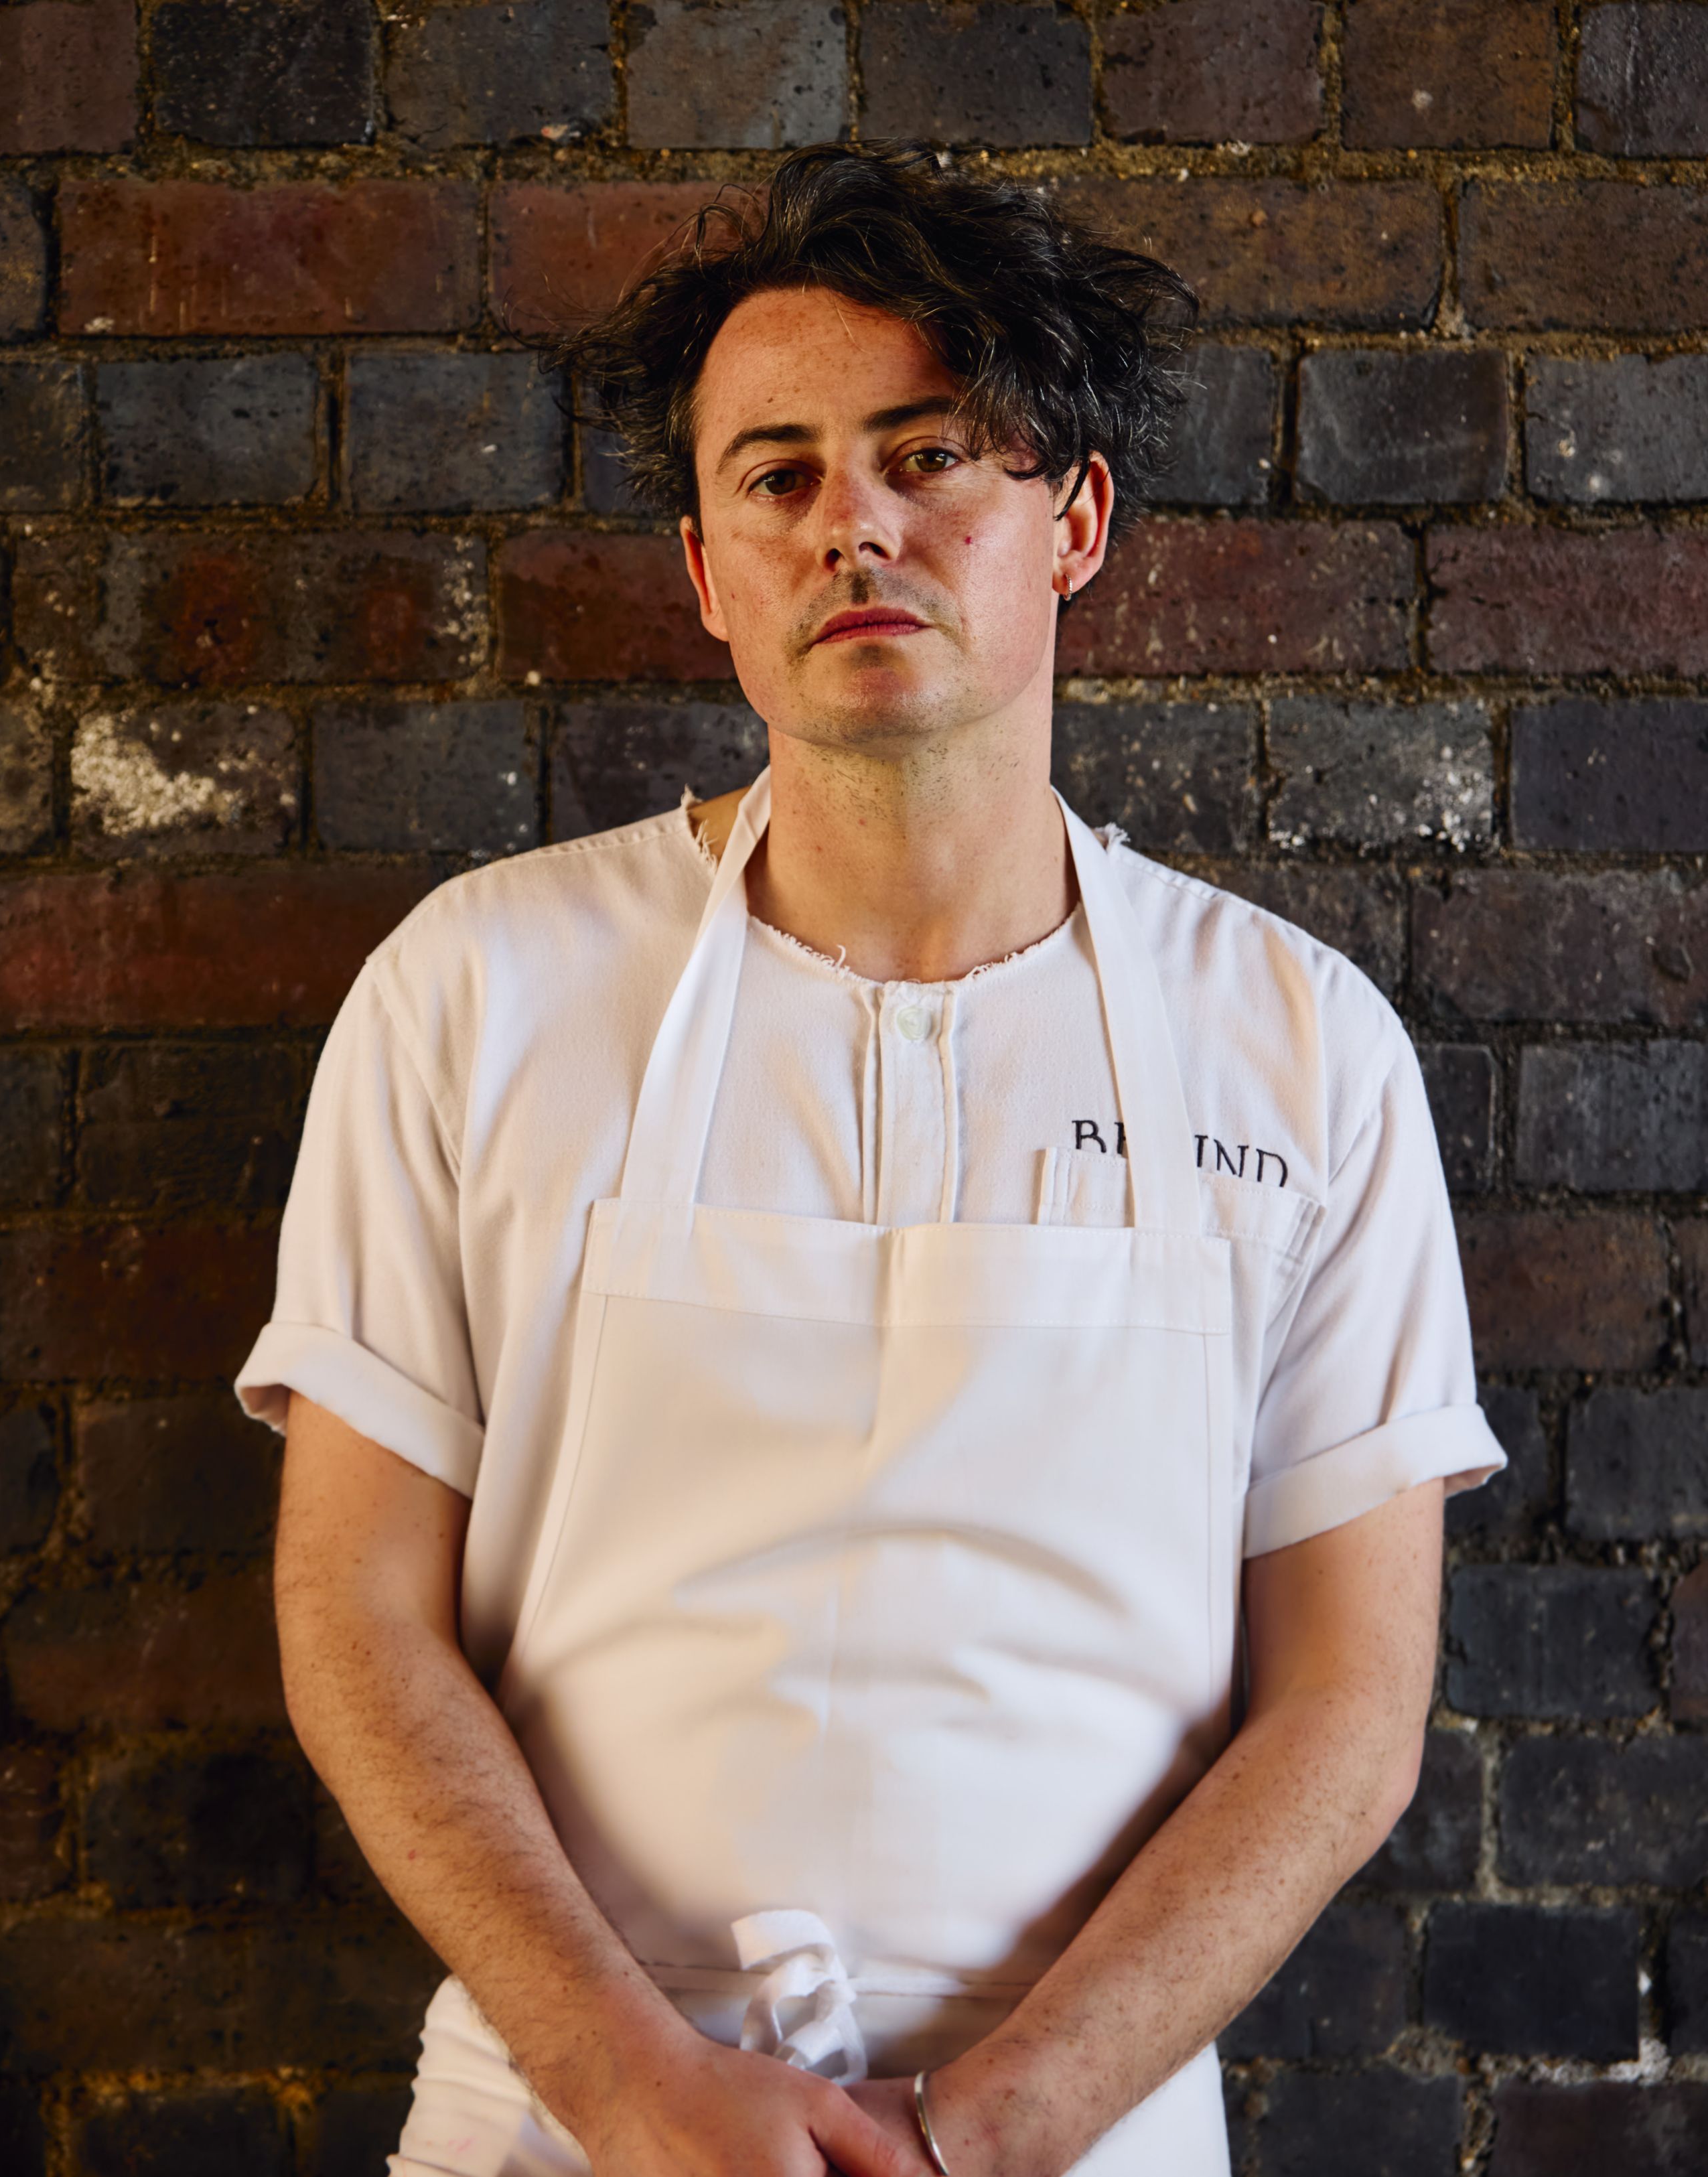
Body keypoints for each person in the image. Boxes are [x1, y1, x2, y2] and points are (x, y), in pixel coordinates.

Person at [236, 143, 1505, 2177]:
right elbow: (357, 1617)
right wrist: (632, 2084)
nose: (855, 526)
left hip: (1079, 2126)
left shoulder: (1300, 1048)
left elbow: (1347, 1714)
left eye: (929, 458)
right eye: (782, 476)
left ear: (1075, 522)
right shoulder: (478, 989)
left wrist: (996, 2122)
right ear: (706, 569)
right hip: (563, 2122)